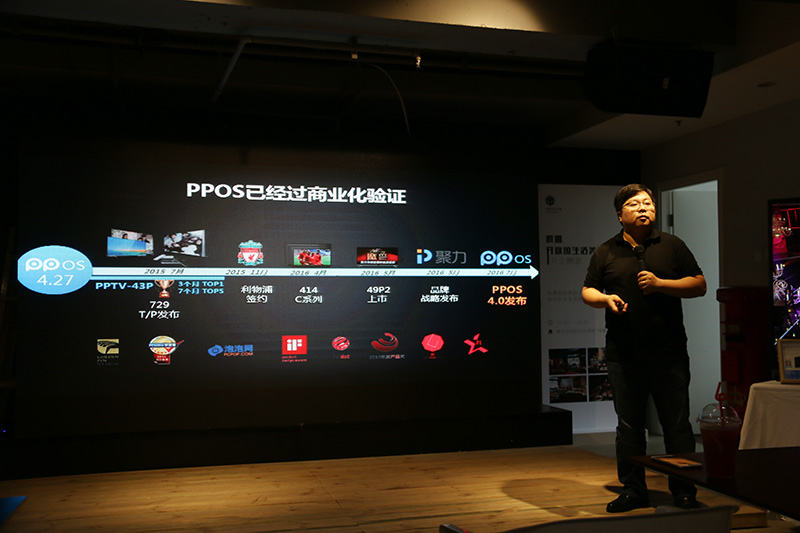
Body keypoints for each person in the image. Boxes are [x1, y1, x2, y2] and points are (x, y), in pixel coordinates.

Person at [582, 184, 707, 513]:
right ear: (620, 214)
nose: (643, 208)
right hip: (623, 354)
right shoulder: (606, 251)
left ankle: (684, 490)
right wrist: (606, 299)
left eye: (648, 203)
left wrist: (661, 284)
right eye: (635, 204)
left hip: (669, 353)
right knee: (629, 427)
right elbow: (588, 290)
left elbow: (699, 284)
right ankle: (633, 490)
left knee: (677, 427)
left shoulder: (672, 245)